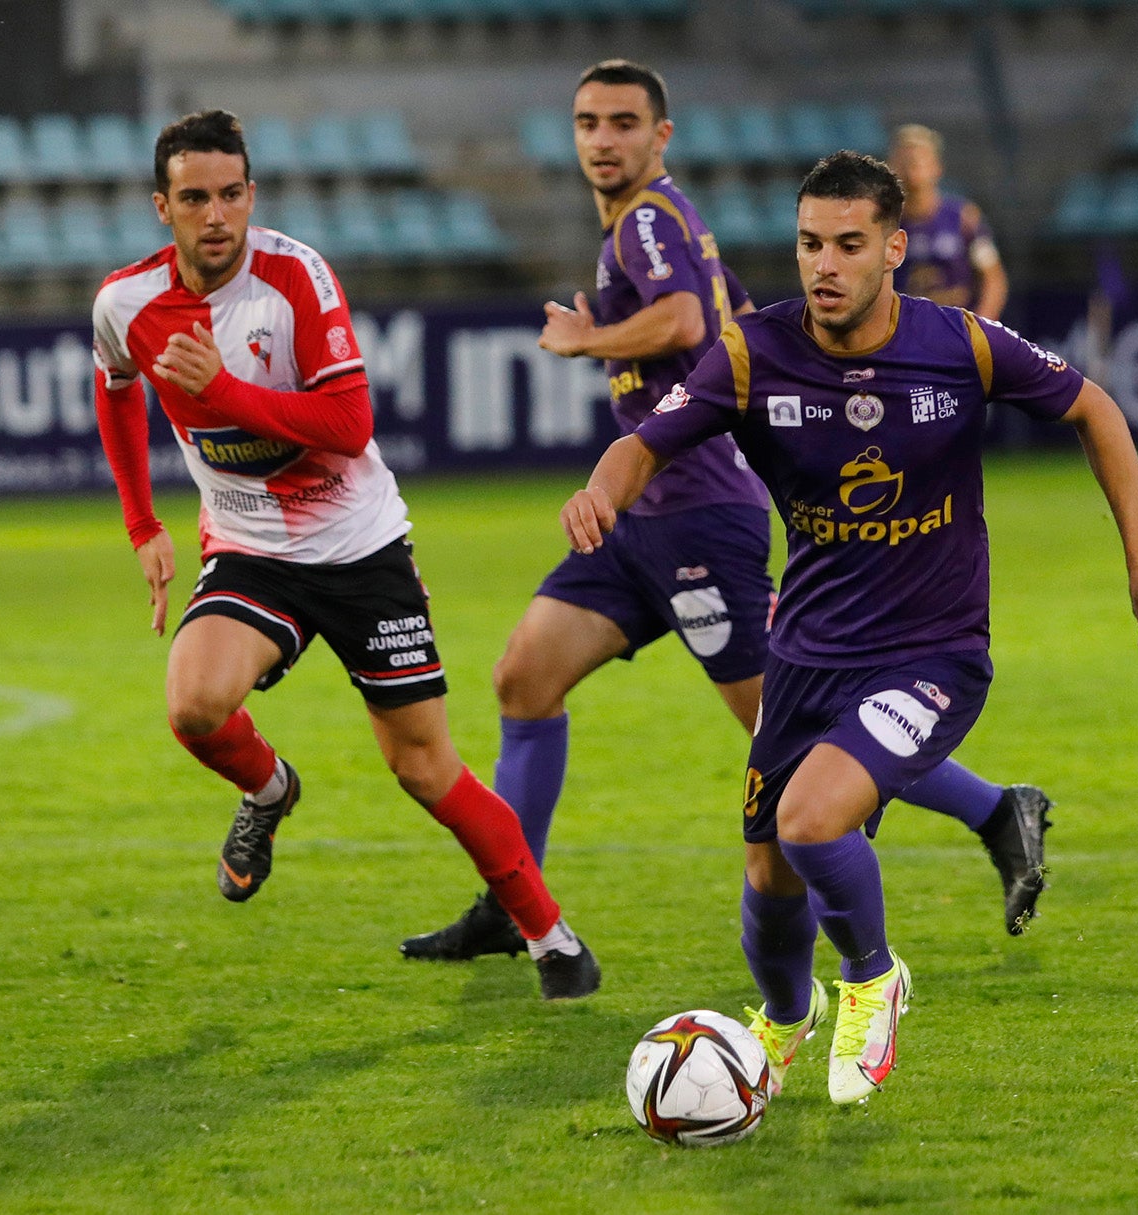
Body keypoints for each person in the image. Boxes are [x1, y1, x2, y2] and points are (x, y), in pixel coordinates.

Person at [560, 149, 1138, 1104]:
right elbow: (643, 442)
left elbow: (1094, 408)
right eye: (809, 243)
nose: (824, 264)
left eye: (849, 244)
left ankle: (872, 975)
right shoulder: (753, 352)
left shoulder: (963, 345)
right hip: (807, 655)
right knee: (768, 872)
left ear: (894, 249)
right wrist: (601, 492)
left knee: (811, 820)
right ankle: (781, 1026)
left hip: (932, 653)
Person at [400, 60, 1051, 968]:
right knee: (523, 676)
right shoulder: (665, 223)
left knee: (791, 731)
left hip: (701, 513)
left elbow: (676, 322)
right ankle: (519, 903)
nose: (603, 139)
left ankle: (989, 811)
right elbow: (734, 318)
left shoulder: (651, 221)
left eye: (623, 122)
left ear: (659, 136)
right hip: (638, 520)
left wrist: (589, 338)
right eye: (588, 122)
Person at [90, 109, 599, 1001]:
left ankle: (551, 937)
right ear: (161, 207)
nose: (218, 215)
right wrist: (143, 526)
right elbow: (116, 389)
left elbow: (348, 426)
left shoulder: (294, 277)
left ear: (251, 195)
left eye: (232, 195)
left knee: (422, 766)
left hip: (360, 547)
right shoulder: (124, 302)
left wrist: (226, 392)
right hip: (251, 547)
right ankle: (270, 788)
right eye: (196, 198)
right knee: (196, 704)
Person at [889, 123, 1009, 321]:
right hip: (902, 334)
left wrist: (981, 327)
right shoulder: (882, 222)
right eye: (904, 161)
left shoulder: (964, 218)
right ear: (891, 166)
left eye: (919, 161)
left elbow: (993, 279)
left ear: (937, 167)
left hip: (956, 330)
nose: (912, 169)